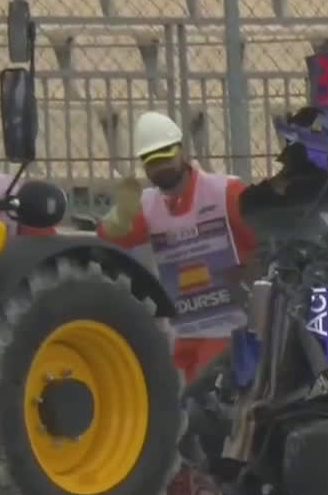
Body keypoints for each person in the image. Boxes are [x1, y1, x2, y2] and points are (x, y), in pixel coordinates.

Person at [96, 111, 258, 383]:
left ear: (182, 151)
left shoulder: (225, 192)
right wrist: (119, 216)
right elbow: (108, 239)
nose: (160, 167)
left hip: (233, 328)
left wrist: (248, 275)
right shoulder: (148, 205)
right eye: (152, 161)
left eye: (165, 157)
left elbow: (265, 239)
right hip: (185, 331)